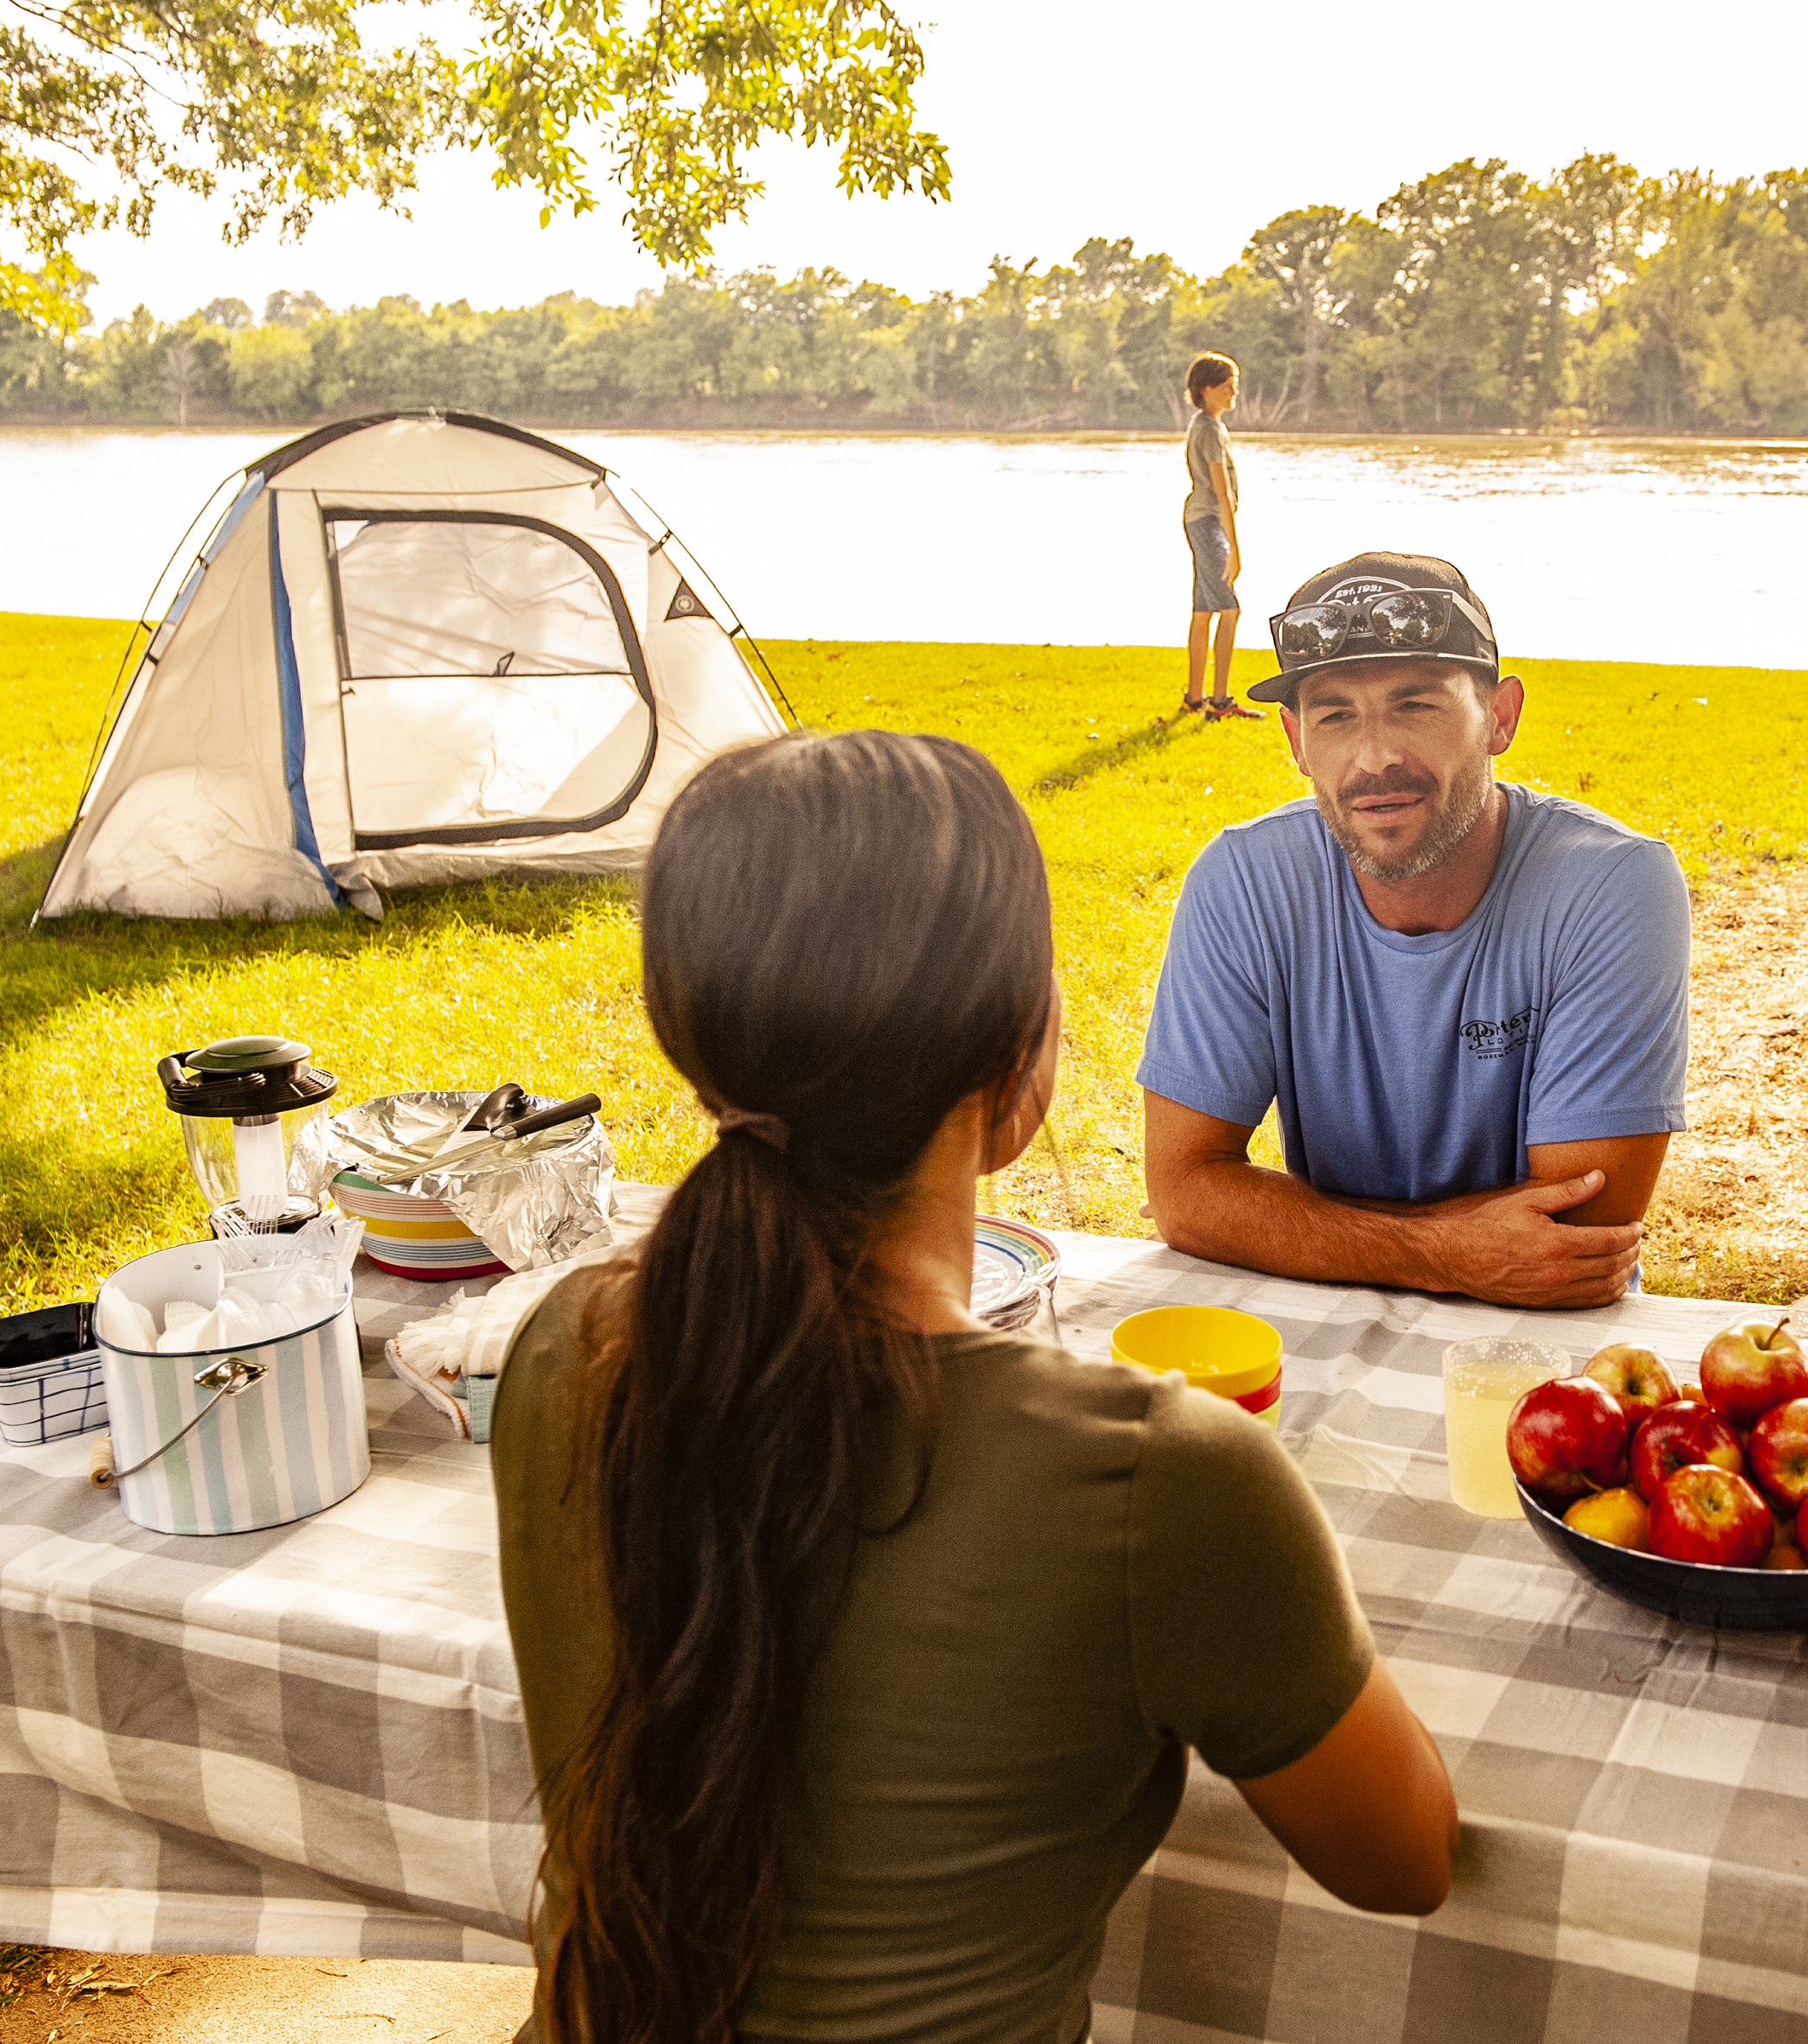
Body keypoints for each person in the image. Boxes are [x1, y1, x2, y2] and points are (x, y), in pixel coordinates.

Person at [491, 730, 1456, 2044]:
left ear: (695, 1040)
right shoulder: (1164, 1482)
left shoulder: (566, 1349)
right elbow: (1405, 1860)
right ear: (1021, 1064)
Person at [1136, 552, 1690, 1311]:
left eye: (1416, 705)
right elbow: (1184, 1191)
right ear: (1296, 741)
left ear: (1500, 716)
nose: (1376, 757)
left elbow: (1572, 1236)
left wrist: (1297, 1226)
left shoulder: (1614, 885)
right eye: (1335, 715)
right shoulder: (1243, 880)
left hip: (1548, 1341)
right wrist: (1444, 1250)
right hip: (1333, 1312)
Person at [1179, 352, 1263, 721]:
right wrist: (1235, 550)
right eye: (1228, 385)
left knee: (1203, 610)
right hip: (1208, 521)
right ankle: (1220, 702)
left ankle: (1194, 700)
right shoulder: (1209, 429)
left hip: (1200, 520)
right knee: (1229, 609)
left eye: (1236, 384)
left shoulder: (1207, 424)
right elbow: (1221, 492)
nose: (1234, 392)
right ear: (1207, 389)